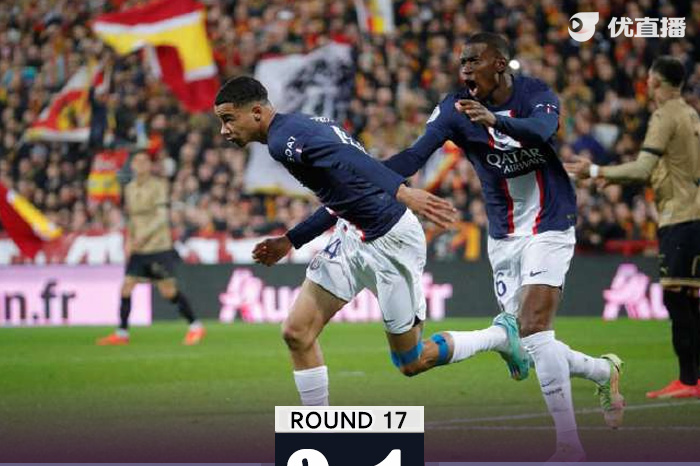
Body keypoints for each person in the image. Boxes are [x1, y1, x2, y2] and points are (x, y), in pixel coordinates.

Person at [280, 33, 624, 461]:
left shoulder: (536, 94)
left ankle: (569, 447)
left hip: (551, 219)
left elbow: (542, 131)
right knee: (532, 340)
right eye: (461, 62)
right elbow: (414, 156)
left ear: (499, 63)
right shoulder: (454, 108)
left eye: (473, 61)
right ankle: (602, 370)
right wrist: (370, 179)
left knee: (535, 327)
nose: (465, 70)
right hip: (503, 232)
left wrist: (494, 121)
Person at [214, 76, 530, 408]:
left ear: (257, 112)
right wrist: (292, 240)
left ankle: (499, 337)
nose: (224, 130)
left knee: (411, 361)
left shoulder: (284, 140)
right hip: (351, 235)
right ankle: (316, 429)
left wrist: (402, 192)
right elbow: (346, 193)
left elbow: (348, 158)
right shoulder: (302, 127)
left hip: (391, 240)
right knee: (296, 331)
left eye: (228, 119)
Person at [566, 56, 700, 400]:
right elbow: (667, 171)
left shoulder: (664, 115)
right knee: (691, 299)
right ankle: (694, 378)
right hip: (693, 214)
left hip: (679, 218)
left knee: (677, 298)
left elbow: (642, 168)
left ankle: (689, 380)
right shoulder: (690, 114)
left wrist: (596, 171)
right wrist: (613, 179)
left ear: (655, 83)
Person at [96, 150, 205, 346]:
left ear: (150, 165)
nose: (141, 165)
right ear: (132, 165)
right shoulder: (129, 188)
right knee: (126, 287)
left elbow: (162, 218)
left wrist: (143, 236)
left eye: (145, 161)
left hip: (157, 247)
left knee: (168, 291)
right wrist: (129, 240)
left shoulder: (158, 186)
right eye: (137, 161)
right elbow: (132, 219)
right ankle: (122, 333)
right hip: (139, 248)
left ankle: (195, 326)